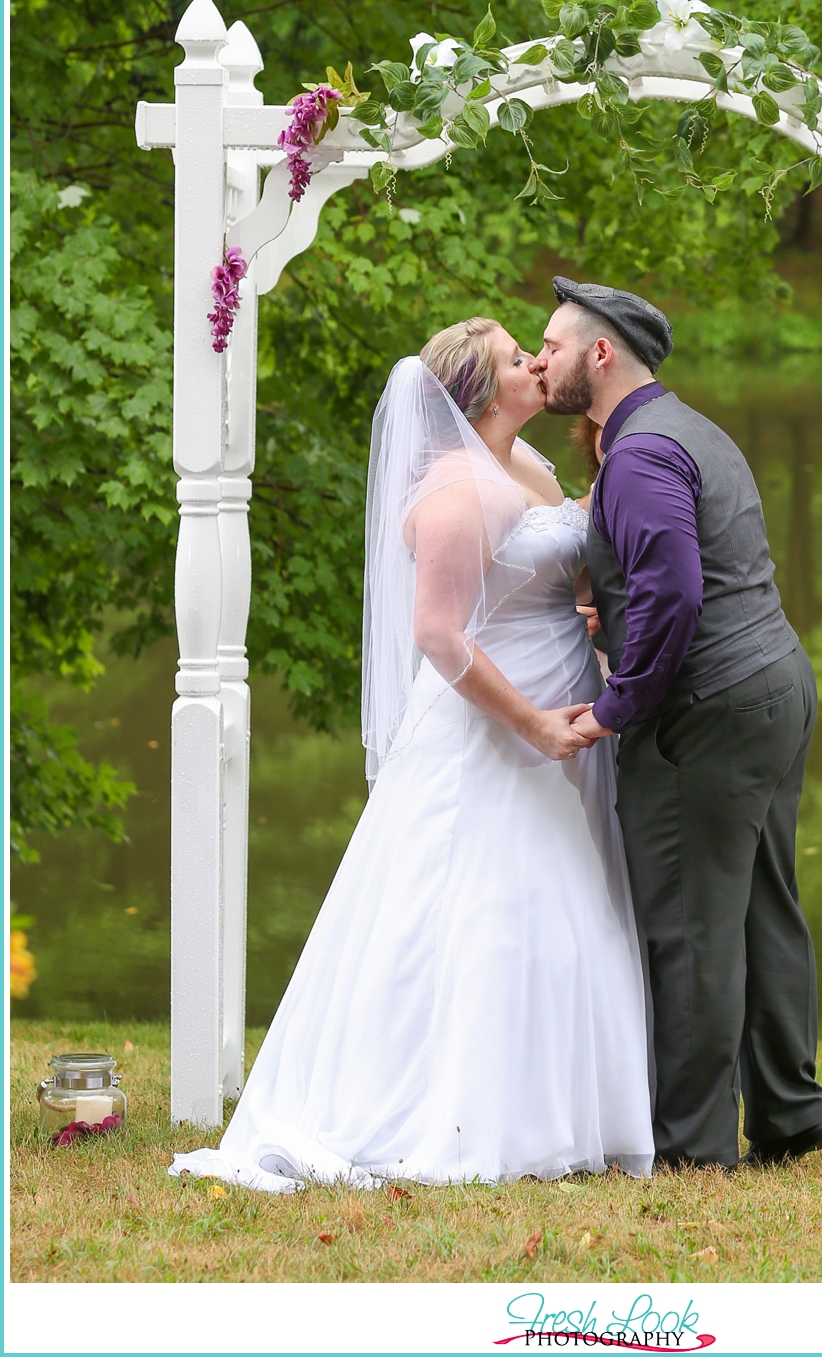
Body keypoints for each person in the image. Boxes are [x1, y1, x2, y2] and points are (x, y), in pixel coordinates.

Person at [170, 319, 653, 1190]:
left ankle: (573, 1109)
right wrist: (535, 726)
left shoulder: (532, 468)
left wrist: (591, 618)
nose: (537, 364)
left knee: (566, 898)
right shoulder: (457, 490)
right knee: (483, 909)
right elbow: (436, 632)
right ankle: (458, 1110)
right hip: (494, 728)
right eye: (517, 359)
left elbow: (537, 579)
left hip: (560, 696)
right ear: (479, 391)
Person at [533, 280, 822, 1172]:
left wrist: (617, 705)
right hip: (773, 683)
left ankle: (694, 1147)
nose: (539, 357)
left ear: (601, 354)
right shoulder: (688, 429)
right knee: (760, 906)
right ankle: (789, 1110)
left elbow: (675, 592)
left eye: (552, 344)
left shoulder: (639, 456)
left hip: (709, 709)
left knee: (690, 924)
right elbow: (682, 572)